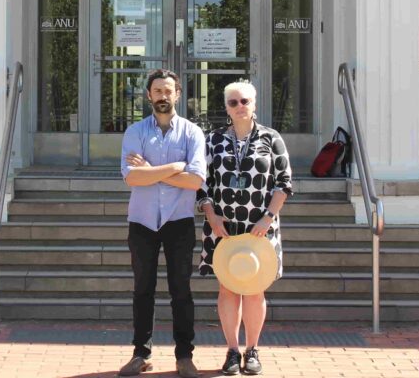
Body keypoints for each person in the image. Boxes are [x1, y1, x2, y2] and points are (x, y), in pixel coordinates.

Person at [196, 80, 293, 376]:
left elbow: (284, 182)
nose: (240, 107)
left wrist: (268, 217)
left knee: (254, 289)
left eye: (245, 101)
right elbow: (201, 183)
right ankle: (231, 351)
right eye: (233, 102)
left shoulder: (271, 138)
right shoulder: (212, 140)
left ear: (254, 104)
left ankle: (252, 350)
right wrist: (211, 215)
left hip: (259, 229)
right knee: (227, 288)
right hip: (223, 227)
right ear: (226, 107)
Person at [117, 68, 206, 378]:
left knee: (181, 290)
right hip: (142, 221)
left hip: (179, 221)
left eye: (168, 91)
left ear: (178, 95)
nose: (163, 96)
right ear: (148, 96)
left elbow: (195, 181)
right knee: (143, 289)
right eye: (157, 91)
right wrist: (174, 167)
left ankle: (185, 356)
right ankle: (141, 354)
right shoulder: (135, 132)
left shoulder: (193, 133)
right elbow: (132, 177)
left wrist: (152, 170)